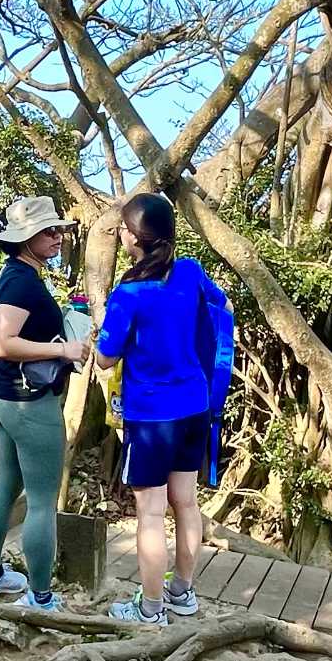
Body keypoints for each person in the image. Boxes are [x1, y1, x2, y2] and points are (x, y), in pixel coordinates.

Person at [94, 192, 230, 625]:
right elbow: (222, 303)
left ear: (135, 238)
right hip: (194, 406)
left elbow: (105, 357)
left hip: (151, 417)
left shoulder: (128, 293)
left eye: (122, 228)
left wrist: (99, 327)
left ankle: (150, 608)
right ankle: (182, 594)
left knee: (151, 511)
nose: (119, 233)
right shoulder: (189, 272)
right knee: (186, 504)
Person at [0, 196, 85, 612]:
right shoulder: (22, 282)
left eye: (59, 230)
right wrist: (63, 352)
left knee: (8, 484)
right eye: (49, 232)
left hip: (1, 398)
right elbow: (1, 344)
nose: (58, 237)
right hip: (29, 405)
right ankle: (41, 598)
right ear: (25, 239)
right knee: (41, 500)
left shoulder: (15, 274)